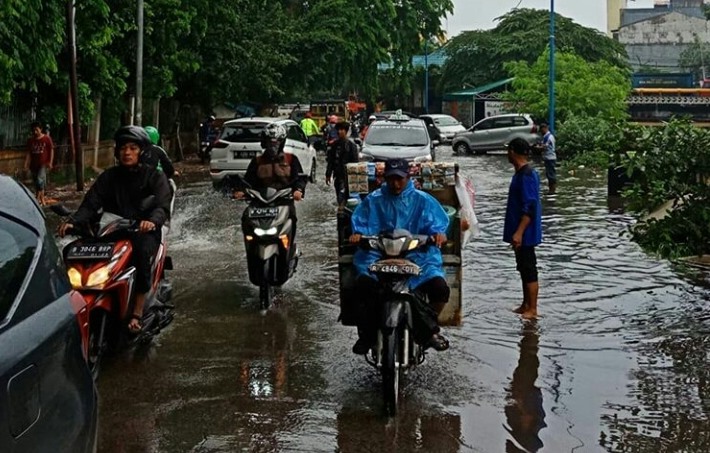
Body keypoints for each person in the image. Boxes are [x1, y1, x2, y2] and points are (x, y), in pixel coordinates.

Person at [58, 126, 172, 333]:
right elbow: (90, 203)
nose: (127, 153)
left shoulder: (154, 177)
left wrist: (152, 221)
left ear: (142, 151)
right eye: (123, 148)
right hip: (110, 231)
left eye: (132, 148)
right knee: (72, 251)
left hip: (142, 231)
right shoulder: (109, 177)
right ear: (117, 152)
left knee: (141, 253)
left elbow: (162, 205)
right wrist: (73, 222)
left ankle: (137, 311)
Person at [348, 158, 451, 354]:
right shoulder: (373, 200)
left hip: (417, 255)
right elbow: (360, 224)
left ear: (408, 177)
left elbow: (438, 226)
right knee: (362, 286)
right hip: (378, 253)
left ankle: (429, 329)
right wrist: (357, 235)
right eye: (392, 179)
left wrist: (438, 235)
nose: (396, 184)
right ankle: (367, 334)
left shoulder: (423, 200)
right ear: (385, 178)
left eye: (400, 179)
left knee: (439, 288)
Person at [233, 123, 307, 235]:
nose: (273, 145)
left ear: (282, 142)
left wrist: (298, 190)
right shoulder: (257, 161)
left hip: (283, 201)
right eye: (270, 142)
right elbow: (247, 180)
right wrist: (240, 190)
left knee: (291, 219)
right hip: (260, 203)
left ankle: (290, 247)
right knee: (245, 218)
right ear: (264, 142)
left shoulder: (291, 159)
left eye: (277, 142)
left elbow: (300, 179)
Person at [504, 138, 542, 319]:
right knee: (522, 267)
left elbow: (530, 206)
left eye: (507, 151)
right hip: (519, 231)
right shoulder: (520, 173)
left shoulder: (527, 175)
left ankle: (533, 309)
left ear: (512, 151)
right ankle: (525, 304)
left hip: (525, 233)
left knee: (529, 268)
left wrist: (519, 232)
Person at [326, 121, 359, 205]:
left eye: (341, 130)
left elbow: (355, 162)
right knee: (339, 197)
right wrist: (328, 174)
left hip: (348, 176)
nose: (339, 132)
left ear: (346, 131)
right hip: (338, 175)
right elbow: (331, 160)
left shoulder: (352, 146)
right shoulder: (335, 145)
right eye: (338, 130)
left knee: (348, 198)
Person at [24, 121, 54, 206]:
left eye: (36, 130)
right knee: (38, 183)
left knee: (39, 181)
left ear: (41, 129)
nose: (35, 132)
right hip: (33, 165)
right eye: (33, 130)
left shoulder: (47, 138)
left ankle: (37, 199)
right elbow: (29, 153)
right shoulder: (31, 140)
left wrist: (50, 162)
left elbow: (51, 150)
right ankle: (42, 199)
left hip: (43, 164)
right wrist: (26, 163)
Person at [538, 123, 557, 194]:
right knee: (549, 174)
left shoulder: (548, 137)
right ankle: (551, 190)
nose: (541, 132)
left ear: (544, 128)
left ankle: (552, 191)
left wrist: (537, 148)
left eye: (541, 130)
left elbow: (544, 147)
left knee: (551, 174)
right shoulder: (547, 136)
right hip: (548, 158)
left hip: (550, 158)